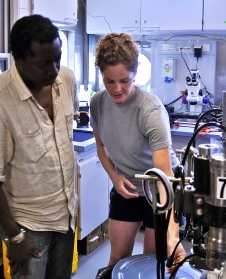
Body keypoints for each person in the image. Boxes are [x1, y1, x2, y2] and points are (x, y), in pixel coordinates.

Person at [0, 15, 78, 279]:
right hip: (28, 227)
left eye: (57, 59)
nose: (53, 70)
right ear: (17, 58)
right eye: (43, 64)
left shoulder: (65, 80)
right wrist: (14, 237)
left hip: (66, 216)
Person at [90, 33, 187, 272]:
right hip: (128, 189)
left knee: (153, 264)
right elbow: (101, 147)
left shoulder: (150, 111)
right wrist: (114, 177)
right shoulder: (98, 103)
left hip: (160, 191)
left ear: (136, 74)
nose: (117, 89)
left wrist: (173, 236)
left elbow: (164, 177)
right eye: (109, 81)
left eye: (125, 80)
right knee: (116, 261)